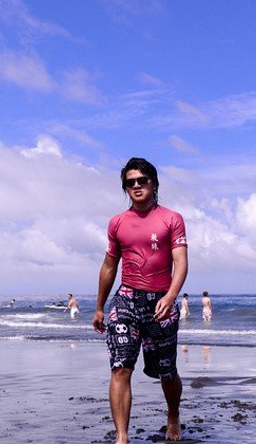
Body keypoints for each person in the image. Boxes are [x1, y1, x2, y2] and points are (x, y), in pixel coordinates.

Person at [92, 157, 189, 444]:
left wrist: (171, 296)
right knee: (120, 367)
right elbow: (109, 266)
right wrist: (99, 307)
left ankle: (173, 417)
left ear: (154, 184)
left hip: (161, 302)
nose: (136, 186)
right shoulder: (117, 222)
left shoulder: (172, 218)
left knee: (167, 371)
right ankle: (122, 437)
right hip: (126, 300)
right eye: (130, 182)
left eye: (142, 180)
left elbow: (181, 262)